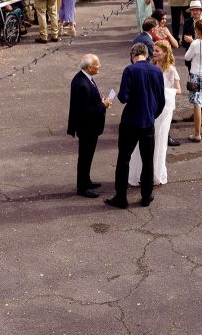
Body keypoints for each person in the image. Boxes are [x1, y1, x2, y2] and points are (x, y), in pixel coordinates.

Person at [106, 44, 166, 209]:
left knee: (124, 159)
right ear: (147, 54)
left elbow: (123, 97)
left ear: (133, 54)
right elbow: (161, 100)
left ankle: (121, 197)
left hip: (130, 122)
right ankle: (146, 196)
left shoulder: (130, 70)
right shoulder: (156, 71)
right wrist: (152, 114)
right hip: (148, 122)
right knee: (148, 161)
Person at [129, 40, 180, 187]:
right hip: (151, 106)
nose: (154, 53)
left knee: (159, 140)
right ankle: (140, 173)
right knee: (145, 141)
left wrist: (162, 92)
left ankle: (155, 174)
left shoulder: (170, 69)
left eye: (157, 51)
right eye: (154, 50)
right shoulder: (151, 66)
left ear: (165, 52)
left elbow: (178, 89)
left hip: (164, 109)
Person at [67, 54, 113, 198]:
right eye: (98, 65)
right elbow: (87, 111)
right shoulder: (82, 84)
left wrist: (100, 100)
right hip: (87, 127)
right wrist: (103, 105)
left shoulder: (86, 78)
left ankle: (86, 180)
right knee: (85, 157)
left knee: (88, 156)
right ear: (89, 67)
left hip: (90, 127)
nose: (100, 67)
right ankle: (82, 187)